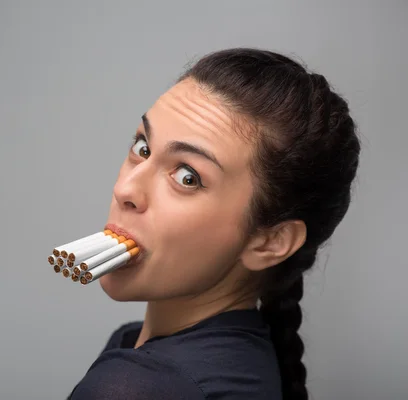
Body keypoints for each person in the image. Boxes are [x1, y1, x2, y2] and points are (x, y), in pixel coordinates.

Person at [67, 48, 361, 400]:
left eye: (188, 177)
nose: (125, 189)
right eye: (143, 148)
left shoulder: (139, 387)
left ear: (271, 241)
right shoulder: (233, 362)